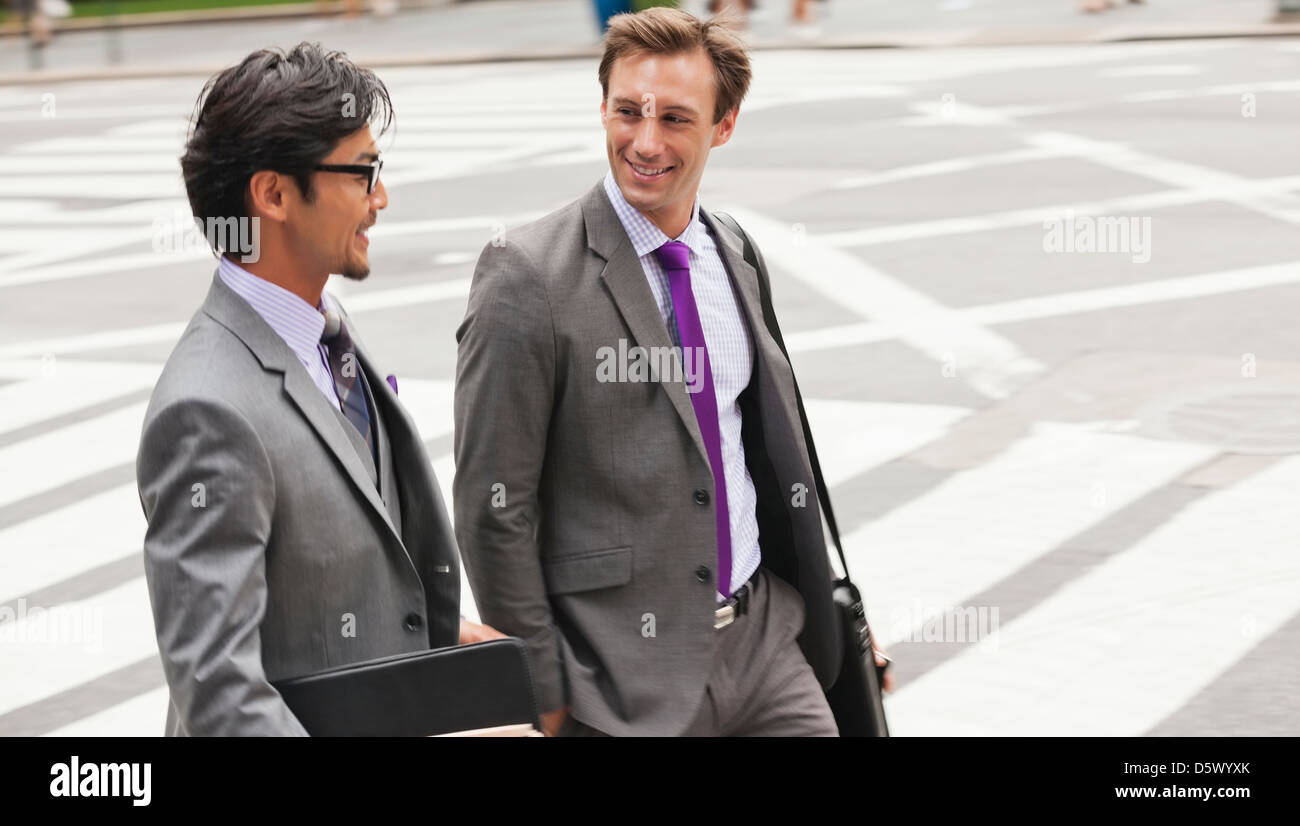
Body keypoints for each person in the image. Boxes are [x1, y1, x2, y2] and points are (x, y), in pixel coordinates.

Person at [454, 7, 890, 737]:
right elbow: (492, 506)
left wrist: (832, 605)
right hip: (620, 682)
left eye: (677, 120)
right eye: (628, 112)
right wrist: (545, 691)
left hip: (766, 647)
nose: (645, 142)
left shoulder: (737, 253)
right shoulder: (526, 276)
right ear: (602, 108)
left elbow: (773, 453)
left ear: (724, 125)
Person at [138, 42, 502, 736]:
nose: (380, 198)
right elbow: (220, 691)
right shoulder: (206, 411)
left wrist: (431, 632)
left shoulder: (322, 327)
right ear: (273, 194)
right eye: (362, 174)